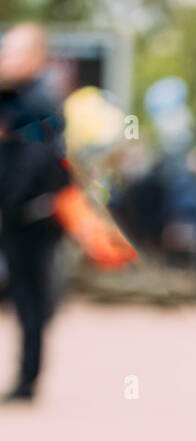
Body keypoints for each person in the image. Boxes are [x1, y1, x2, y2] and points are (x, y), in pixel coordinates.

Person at [0, 23, 67, 402]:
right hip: (20, 213)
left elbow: (33, 164)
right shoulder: (18, 97)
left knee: (29, 297)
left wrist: (10, 204)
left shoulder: (39, 102)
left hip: (28, 216)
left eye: (14, 52)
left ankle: (27, 380)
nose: (5, 59)